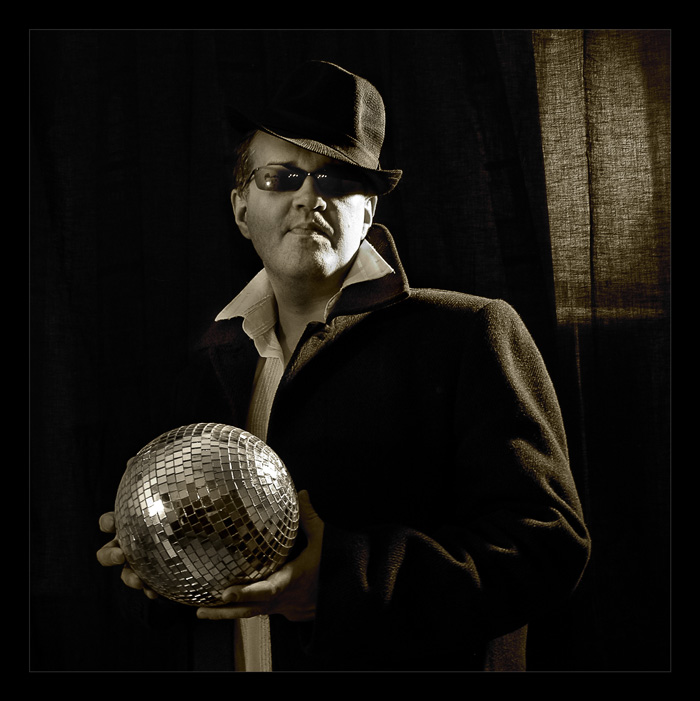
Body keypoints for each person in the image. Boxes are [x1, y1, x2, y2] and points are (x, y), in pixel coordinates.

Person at [97, 60, 591, 671]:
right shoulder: (208, 364)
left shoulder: (468, 332)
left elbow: (548, 547)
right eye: (281, 177)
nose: (309, 196)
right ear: (241, 208)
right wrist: (157, 573)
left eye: (336, 179)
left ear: (369, 211)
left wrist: (338, 585)